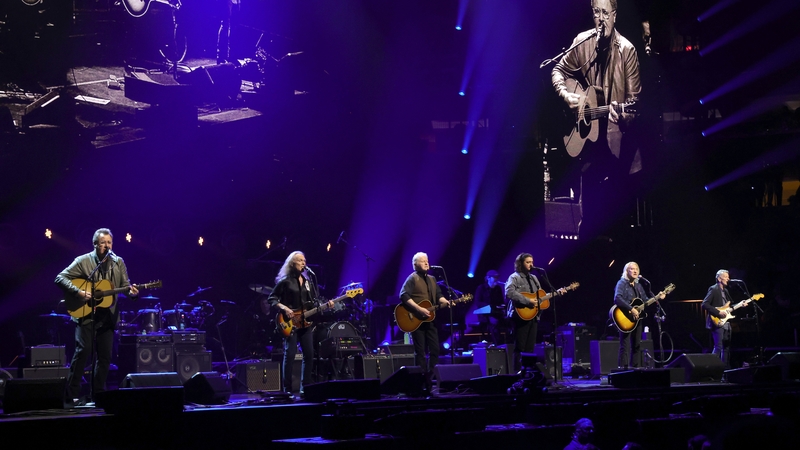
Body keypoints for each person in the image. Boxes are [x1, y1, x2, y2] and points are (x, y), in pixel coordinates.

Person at [551, 0, 642, 239]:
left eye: (605, 13)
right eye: (596, 12)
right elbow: (558, 70)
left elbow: (635, 104)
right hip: (591, 152)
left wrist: (622, 115)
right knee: (588, 219)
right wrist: (566, 95)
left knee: (618, 218)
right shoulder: (583, 42)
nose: (600, 19)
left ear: (614, 15)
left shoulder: (627, 50)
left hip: (618, 150)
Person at [55, 228, 139, 406]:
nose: (107, 246)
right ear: (95, 245)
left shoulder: (118, 262)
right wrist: (78, 292)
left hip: (107, 316)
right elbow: (60, 277)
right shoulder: (83, 261)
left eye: (109, 243)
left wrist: (132, 293)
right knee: (83, 351)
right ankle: (72, 395)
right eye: (103, 243)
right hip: (85, 313)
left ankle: (98, 395)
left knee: (105, 357)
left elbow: (125, 286)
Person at [267, 251, 332, 395]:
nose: (304, 263)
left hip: (305, 323)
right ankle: (287, 389)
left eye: (304, 260)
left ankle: (305, 387)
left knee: (309, 355)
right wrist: (284, 308)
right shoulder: (285, 281)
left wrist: (326, 305)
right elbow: (272, 298)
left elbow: (314, 302)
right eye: (300, 260)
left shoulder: (308, 282)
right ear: (292, 264)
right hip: (289, 322)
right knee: (289, 355)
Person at [399, 252, 451, 373]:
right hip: (416, 320)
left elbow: (439, 296)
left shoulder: (432, 279)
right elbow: (403, 295)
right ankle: (421, 380)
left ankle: (430, 380)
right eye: (423, 261)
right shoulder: (412, 278)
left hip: (430, 320)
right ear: (415, 265)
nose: (427, 263)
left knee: (435, 350)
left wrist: (445, 301)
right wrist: (418, 308)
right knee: (420, 352)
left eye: (427, 260)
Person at [614, 261, 664, 368]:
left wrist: (658, 297)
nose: (635, 271)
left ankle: (635, 369)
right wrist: (631, 309)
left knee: (637, 345)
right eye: (632, 269)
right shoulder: (621, 283)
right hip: (625, 318)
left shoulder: (638, 286)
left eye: (637, 269)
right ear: (626, 271)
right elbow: (617, 298)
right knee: (625, 345)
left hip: (637, 319)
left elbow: (645, 301)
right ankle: (623, 370)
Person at [505, 253, 549, 373]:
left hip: (533, 317)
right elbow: (509, 293)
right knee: (520, 347)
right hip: (519, 317)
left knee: (530, 348)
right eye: (528, 262)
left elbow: (540, 297)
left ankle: (528, 374)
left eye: (531, 262)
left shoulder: (534, 278)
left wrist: (556, 293)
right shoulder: (514, 277)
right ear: (520, 264)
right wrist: (527, 301)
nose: (531, 264)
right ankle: (517, 375)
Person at [702, 269, 734, 368]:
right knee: (718, 347)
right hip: (717, 321)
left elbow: (729, 307)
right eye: (726, 277)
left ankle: (724, 371)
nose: (728, 279)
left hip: (726, 323)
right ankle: (711, 369)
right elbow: (705, 304)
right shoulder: (714, 289)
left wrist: (742, 304)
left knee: (726, 348)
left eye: (728, 277)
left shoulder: (726, 291)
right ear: (719, 278)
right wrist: (718, 312)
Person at [473, 269, 506, 345]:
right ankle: (496, 345)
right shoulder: (481, 288)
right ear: (488, 278)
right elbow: (478, 302)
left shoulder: (498, 289)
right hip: (485, 315)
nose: (496, 279)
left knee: (508, 321)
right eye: (494, 277)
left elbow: (501, 302)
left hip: (496, 313)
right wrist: (490, 307)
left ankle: (506, 345)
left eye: (497, 277)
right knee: (493, 324)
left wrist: (503, 306)